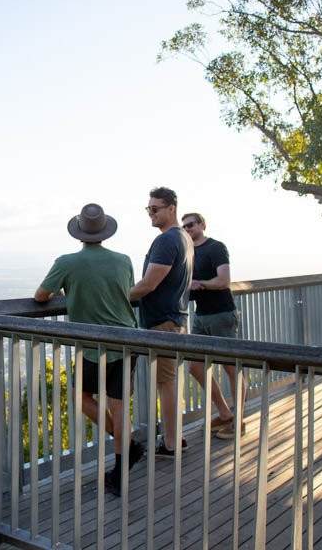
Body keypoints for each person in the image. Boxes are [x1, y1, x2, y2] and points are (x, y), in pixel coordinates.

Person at [34, 203, 144, 496]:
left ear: (79, 234)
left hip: (91, 342)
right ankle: (124, 461)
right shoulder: (123, 260)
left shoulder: (66, 262)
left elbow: (41, 296)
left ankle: (127, 447)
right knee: (120, 407)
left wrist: (67, 291)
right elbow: (126, 291)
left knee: (81, 398)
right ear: (105, 231)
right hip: (126, 339)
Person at [128, 187, 194, 458]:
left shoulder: (167, 240)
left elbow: (149, 283)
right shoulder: (184, 238)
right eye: (148, 209)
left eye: (155, 209)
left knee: (165, 383)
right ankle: (175, 436)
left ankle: (170, 444)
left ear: (171, 208)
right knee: (170, 382)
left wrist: (121, 298)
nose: (150, 214)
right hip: (175, 318)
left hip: (163, 322)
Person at [182, 212, 245, 439]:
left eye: (190, 225)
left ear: (202, 224)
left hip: (222, 314)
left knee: (232, 368)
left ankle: (239, 422)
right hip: (200, 316)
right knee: (195, 367)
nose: (187, 229)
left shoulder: (216, 247)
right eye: (184, 226)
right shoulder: (189, 252)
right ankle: (225, 413)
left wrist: (202, 284)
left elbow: (223, 280)